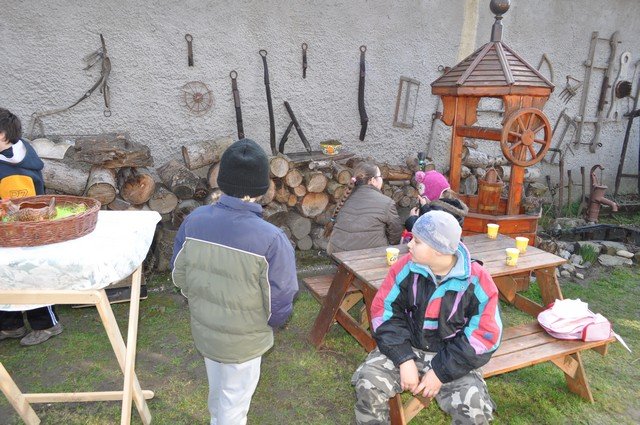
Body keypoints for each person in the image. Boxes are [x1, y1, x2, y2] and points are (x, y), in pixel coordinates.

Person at [171, 138, 298, 425]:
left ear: (222, 179)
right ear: (262, 188)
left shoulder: (193, 221)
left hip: (206, 329)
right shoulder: (272, 239)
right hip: (245, 341)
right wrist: (271, 322)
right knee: (234, 404)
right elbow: (281, 296)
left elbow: (179, 274)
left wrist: (201, 300)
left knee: (218, 392)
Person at [353, 210, 503, 424]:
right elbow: (383, 314)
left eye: (417, 241)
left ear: (439, 250)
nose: (409, 245)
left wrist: (441, 371)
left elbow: (484, 336)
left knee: (474, 405)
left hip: (451, 356)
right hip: (406, 346)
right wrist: (403, 359)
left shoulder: (477, 281)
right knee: (368, 382)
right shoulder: (405, 268)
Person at [0, 108, 63, 346]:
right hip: (6, 231)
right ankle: (10, 324)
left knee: (32, 274)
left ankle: (47, 324)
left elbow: (27, 199)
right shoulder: (14, 153)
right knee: (4, 275)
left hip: (28, 230)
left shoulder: (19, 162)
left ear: (3, 135)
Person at [325, 161, 402, 254]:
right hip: (366, 257)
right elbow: (395, 233)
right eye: (380, 176)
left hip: (336, 253)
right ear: (372, 180)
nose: (382, 179)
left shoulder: (345, 198)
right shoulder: (386, 202)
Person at [403, 170, 468, 242]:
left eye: (423, 195)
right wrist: (425, 208)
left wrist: (413, 219)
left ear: (432, 193)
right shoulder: (455, 205)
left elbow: (426, 235)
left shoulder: (437, 210)